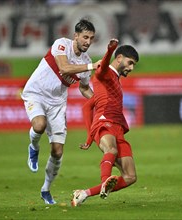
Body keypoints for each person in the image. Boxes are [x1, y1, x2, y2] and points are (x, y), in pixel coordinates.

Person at [21, 18, 101, 205]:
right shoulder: (61, 45)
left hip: (57, 103)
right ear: (76, 36)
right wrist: (91, 66)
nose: (88, 42)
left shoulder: (86, 62)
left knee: (57, 152)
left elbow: (83, 88)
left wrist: (99, 101)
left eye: (91, 38)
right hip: (36, 93)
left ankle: (45, 189)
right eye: (85, 37)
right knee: (39, 125)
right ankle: (33, 146)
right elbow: (64, 67)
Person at [71, 38, 139, 207]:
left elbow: (86, 108)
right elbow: (101, 69)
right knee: (111, 149)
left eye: (134, 65)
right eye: (130, 63)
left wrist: (88, 137)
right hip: (104, 122)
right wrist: (110, 50)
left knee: (130, 177)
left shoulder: (113, 81)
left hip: (118, 128)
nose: (131, 68)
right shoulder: (105, 72)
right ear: (119, 58)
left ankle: (84, 194)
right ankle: (105, 180)